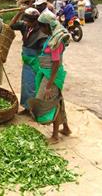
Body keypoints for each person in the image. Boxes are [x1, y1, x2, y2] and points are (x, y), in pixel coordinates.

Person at [28, 9, 72, 143]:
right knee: (58, 100)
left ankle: (55, 136)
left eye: (41, 26)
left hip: (52, 75)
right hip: (46, 72)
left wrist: (48, 85)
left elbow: (56, 63)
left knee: (50, 102)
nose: (40, 29)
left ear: (47, 26)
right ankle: (66, 128)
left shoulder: (56, 42)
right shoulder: (51, 38)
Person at [10, 7, 48, 115]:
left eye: (29, 21)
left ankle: (34, 110)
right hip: (27, 60)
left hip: (35, 61)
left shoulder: (42, 31)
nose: (26, 23)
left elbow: (44, 50)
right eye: (25, 20)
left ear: (36, 21)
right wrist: (18, 13)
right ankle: (26, 107)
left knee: (34, 86)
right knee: (26, 85)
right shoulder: (24, 26)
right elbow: (11, 25)